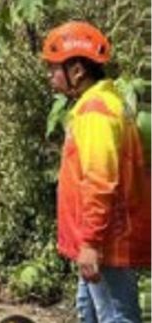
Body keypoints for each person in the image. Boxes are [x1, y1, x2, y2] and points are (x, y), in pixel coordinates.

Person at [41, 21, 149, 323]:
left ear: (77, 70)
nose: (50, 76)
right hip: (101, 238)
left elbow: (100, 181)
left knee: (115, 316)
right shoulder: (103, 104)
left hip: (105, 241)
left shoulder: (96, 113)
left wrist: (90, 244)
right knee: (89, 311)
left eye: (54, 68)